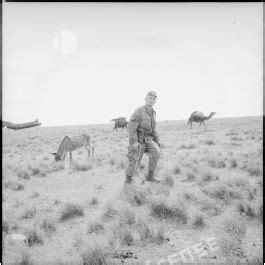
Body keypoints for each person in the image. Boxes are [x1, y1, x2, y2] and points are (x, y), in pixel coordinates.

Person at [125, 91, 165, 184]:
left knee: (156, 153)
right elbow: (131, 127)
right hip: (138, 140)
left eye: (154, 99)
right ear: (145, 99)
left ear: (155, 101)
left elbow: (153, 129)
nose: (152, 100)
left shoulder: (153, 113)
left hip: (148, 139)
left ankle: (150, 177)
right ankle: (128, 181)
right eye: (150, 98)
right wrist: (134, 141)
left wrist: (157, 141)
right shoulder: (139, 111)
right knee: (134, 160)